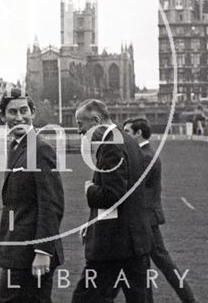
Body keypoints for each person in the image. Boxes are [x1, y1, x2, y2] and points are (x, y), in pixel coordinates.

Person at [71, 100, 152, 303]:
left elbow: (114, 196)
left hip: (114, 247)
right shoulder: (129, 140)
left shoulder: (111, 146)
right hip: (134, 242)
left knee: (84, 299)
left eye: (81, 124)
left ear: (96, 120)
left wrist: (90, 190)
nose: (79, 132)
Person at [0, 87, 64, 303]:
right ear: (3, 116)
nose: (19, 117)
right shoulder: (16, 146)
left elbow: (51, 203)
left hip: (32, 254)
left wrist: (43, 250)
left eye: (24, 110)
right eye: (12, 112)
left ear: (33, 113)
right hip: (17, 250)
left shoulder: (40, 149)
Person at [123, 118, 198, 303]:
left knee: (162, 262)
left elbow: (133, 187)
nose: (124, 135)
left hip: (146, 219)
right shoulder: (142, 153)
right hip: (145, 217)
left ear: (138, 133)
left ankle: (190, 299)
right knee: (145, 263)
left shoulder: (145, 155)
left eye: (127, 131)